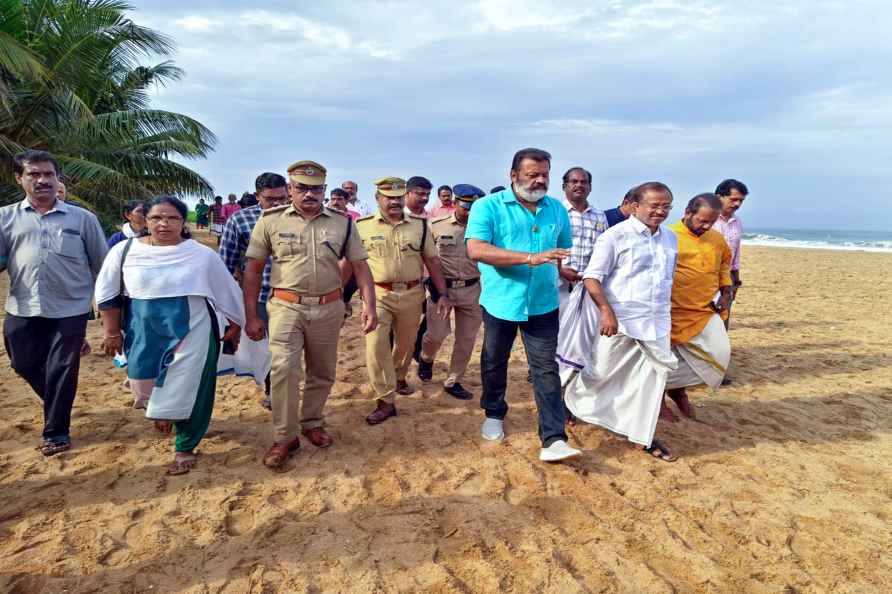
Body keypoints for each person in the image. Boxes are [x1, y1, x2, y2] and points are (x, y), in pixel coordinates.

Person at [95, 196, 243, 474]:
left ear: (182, 222)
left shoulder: (201, 254)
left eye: (173, 218)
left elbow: (226, 289)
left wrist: (235, 323)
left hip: (195, 327)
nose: (164, 224)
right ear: (144, 220)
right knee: (142, 381)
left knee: (194, 385)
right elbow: (107, 293)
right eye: (156, 218)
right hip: (143, 328)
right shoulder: (124, 251)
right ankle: (164, 412)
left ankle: (185, 444)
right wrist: (111, 332)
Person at [244, 160, 377, 468]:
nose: (309, 194)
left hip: (329, 308)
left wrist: (369, 307)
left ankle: (312, 422)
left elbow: (360, 266)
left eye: (316, 189)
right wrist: (250, 315)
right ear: (290, 189)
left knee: (322, 371)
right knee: (284, 369)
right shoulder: (270, 221)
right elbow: (252, 269)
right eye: (302, 188)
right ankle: (284, 436)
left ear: (324, 190)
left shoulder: (343, 224)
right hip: (285, 307)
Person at [465, 147, 581, 462]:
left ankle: (554, 438)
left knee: (545, 369)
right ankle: (493, 413)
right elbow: (476, 249)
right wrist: (529, 259)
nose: (540, 180)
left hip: (543, 303)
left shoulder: (557, 209)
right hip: (501, 300)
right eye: (533, 175)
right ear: (514, 175)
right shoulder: (487, 207)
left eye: (545, 175)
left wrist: (562, 269)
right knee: (494, 360)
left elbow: (557, 251)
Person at [0, 150, 108, 456]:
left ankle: (56, 431)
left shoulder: (82, 219)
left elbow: (103, 264)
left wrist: (107, 306)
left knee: (63, 368)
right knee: (22, 363)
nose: (42, 180)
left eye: (49, 174)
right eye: (34, 174)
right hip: (22, 306)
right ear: (19, 179)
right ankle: (57, 400)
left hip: (70, 308)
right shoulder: (5, 217)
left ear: (57, 178)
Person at [562, 182, 680, 462]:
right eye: (654, 205)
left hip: (657, 321)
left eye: (666, 206)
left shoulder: (670, 239)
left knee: (652, 380)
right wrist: (606, 311)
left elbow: (667, 279)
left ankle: (643, 436)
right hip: (620, 322)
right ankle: (569, 401)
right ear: (635, 206)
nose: (660, 211)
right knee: (600, 373)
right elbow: (592, 277)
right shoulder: (615, 236)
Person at [356, 176, 450, 424]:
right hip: (378, 295)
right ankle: (385, 400)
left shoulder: (419, 226)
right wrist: (341, 296)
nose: (394, 202)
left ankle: (398, 376)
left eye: (398, 197)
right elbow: (353, 264)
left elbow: (432, 261)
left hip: (411, 294)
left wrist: (442, 294)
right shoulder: (362, 226)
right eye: (389, 197)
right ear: (377, 199)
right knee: (376, 346)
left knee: (406, 344)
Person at [219, 172, 289, 408]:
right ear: (258, 196)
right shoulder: (240, 221)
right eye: (271, 199)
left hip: (294, 296)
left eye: (282, 198)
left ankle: (281, 391)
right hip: (260, 297)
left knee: (288, 350)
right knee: (269, 350)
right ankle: (273, 391)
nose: (277, 204)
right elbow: (226, 263)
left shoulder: (299, 219)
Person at [663, 194, 733, 420]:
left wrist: (726, 290)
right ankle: (660, 396)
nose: (706, 226)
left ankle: (674, 388)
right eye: (702, 220)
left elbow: (724, 264)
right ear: (687, 212)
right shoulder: (667, 235)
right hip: (670, 311)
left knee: (720, 354)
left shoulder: (717, 239)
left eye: (711, 222)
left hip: (704, 310)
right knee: (665, 357)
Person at [417, 184, 485, 400]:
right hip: (441, 289)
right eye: (466, 207)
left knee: (466, 340)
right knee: (435, 336)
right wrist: (428, 285)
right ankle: (426, 358)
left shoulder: (485, 228)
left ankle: (453, 380)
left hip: (472, 288)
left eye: (475, 208)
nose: (470, 212)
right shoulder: (435, 225)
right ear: (455, 203)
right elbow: (425, 257)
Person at [558, 167, 607, 312]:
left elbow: (604, 250)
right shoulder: (555, 212)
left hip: (589, 285)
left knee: (586, 333)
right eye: (574, 181)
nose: (579, 185)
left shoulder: (599, 215)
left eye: (584, 182)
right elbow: (544, 246)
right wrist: (559, 270)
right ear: (564, 186)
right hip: (558, 283)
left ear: (590, 187)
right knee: (557, 331)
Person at [712, 179, 748, 327]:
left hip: (727, 277)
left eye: (741, 200)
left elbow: (736, 251)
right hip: (705, 275)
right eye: (733, 199)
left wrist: (736, 281)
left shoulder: (737, 221)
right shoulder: (706, 218)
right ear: (719, 197)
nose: (737, 204)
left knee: (724, 315)